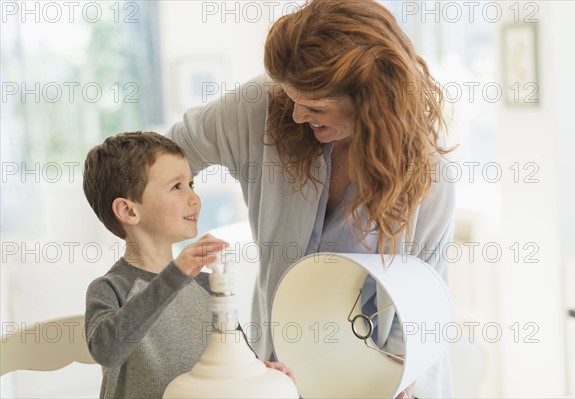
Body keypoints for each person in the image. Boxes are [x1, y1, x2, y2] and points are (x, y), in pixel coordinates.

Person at [167, 0, 456, 397]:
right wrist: (159, 245)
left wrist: (395, 378)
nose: (299, 115)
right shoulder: (264, 106)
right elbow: (165, 158)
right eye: (292, 98)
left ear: (374, 101)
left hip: (386, 380)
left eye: (316, 106)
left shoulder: (427, 174)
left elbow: (425, 301)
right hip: (279, 374)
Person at [82, 132, 293, 398]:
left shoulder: (207, 285)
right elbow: (107, 351)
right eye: (177, 187)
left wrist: (262, 373)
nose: (195, 199)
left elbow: (237, 363)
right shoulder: (111, 288)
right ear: (128, 211)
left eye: (191, 184)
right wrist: (176, 274)